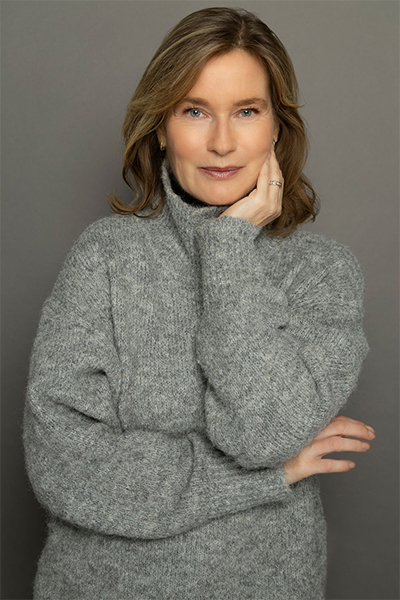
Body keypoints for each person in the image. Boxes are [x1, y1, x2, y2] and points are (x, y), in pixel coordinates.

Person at [23, 7, 374, 599]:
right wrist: (268, 477)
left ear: (277, 128)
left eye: (247, 111)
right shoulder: (105, 258)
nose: (221, 142)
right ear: (161, 128)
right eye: (194, 111)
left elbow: (262, 433)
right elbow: (64, 467)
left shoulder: (322, 273)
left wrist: (229, 247)